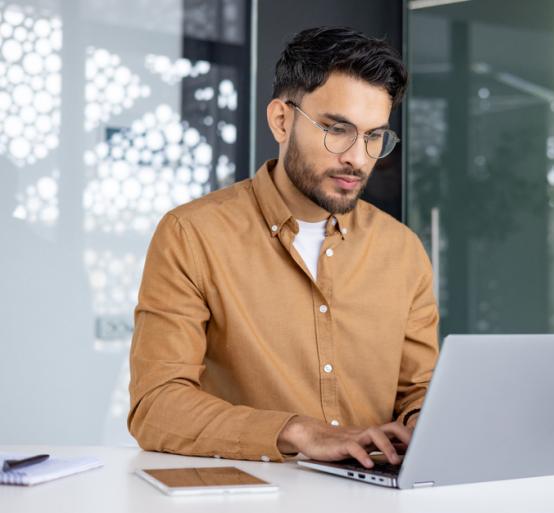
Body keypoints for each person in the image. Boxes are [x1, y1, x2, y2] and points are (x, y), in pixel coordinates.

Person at [128, 27, 439, 469]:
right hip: (250, 496)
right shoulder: (191, 234)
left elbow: (418, 390)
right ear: (281, 120)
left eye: (375, 137)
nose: (359, 158)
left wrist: (426, 419)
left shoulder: (403, 250)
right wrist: (296, 431)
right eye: (337, 129)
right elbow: (155, 406)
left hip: (376, 495)